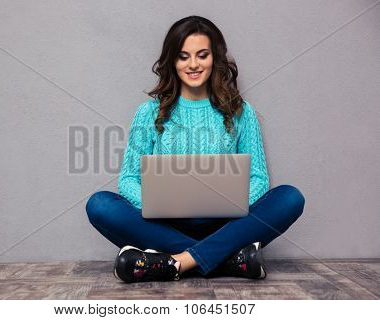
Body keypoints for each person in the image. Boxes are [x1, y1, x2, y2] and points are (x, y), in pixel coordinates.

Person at [85, 16, 305, 283]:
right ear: (172, 61)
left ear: (215, 59)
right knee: (100, 205)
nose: (193, 65)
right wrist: (157, 205)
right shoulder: (149, 112)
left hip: (226, 224)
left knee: (289, 197)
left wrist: (230, 205)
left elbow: (258, 177)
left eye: (202, 55)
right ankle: (228, 260)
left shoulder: (240, 112)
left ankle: (175, 262)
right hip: (163, 225)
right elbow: (128, 179)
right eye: (183, 56)